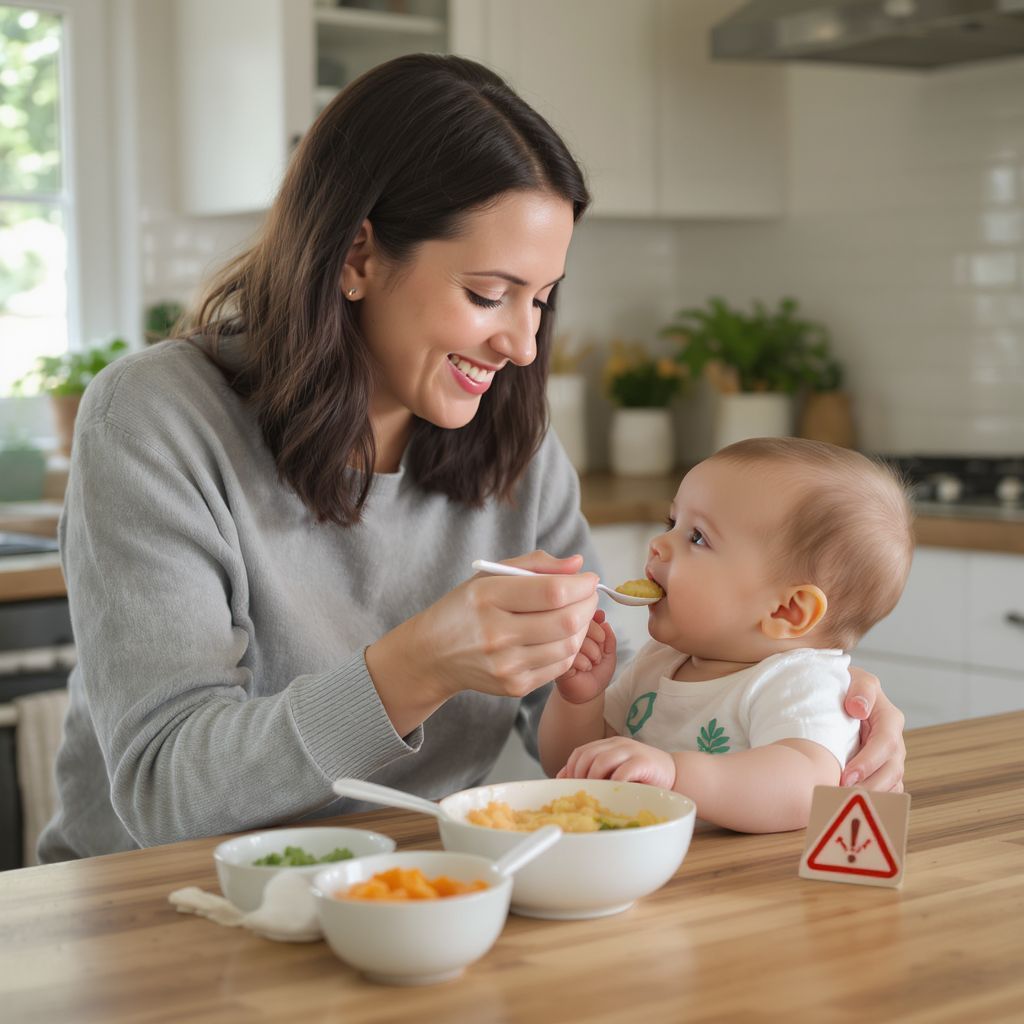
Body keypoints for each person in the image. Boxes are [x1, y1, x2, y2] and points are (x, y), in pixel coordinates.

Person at [38, 55, 906, 863]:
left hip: (424, 891)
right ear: (357, 256)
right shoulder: (156, 418)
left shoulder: (512, 439)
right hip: (163, 905)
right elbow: (164, 794)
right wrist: (412, 669)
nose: (524, 345)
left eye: (542, 300)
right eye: (488, 294)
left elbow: (579, 713)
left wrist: (800, 699)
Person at [538, 438, 915, 833]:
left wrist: (674, 774)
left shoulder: (801, 683)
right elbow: (569, 768)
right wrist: (580, 702)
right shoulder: (659, 661)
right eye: (672, 523)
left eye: (697, 537)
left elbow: (805, 790)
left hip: (743, 882)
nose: (659, 543)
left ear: (787, 611)